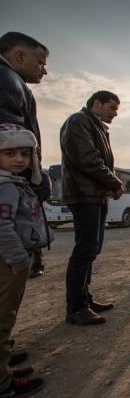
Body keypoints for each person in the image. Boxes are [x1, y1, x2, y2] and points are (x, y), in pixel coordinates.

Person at [60, 91, 123, 326]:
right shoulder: (78, 121)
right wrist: (114, 182)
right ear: (97, 103)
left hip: (94, 196)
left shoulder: (96, 126)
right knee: (84, 250)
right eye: (112, 108)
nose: (115, 113)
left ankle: (84, 299)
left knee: (91, 249)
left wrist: (108, 185)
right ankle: (76, 307)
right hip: (84, 195)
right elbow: (88, 159)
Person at [0, 124, 46, 398]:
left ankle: (4, 369)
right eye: (10, 153)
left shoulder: (13, 181)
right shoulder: (5, 186)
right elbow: (2, 227)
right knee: (3, 319)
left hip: (10, 260)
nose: (19, 159)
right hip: (9, 261)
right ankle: (3, 385)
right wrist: (19, 259)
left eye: (25, 154)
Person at [0, 32, 50, 281]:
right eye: (40, 62)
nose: (44, 70)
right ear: (19, 55)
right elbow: (11, 138)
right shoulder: (7, 79)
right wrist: (34, 178)